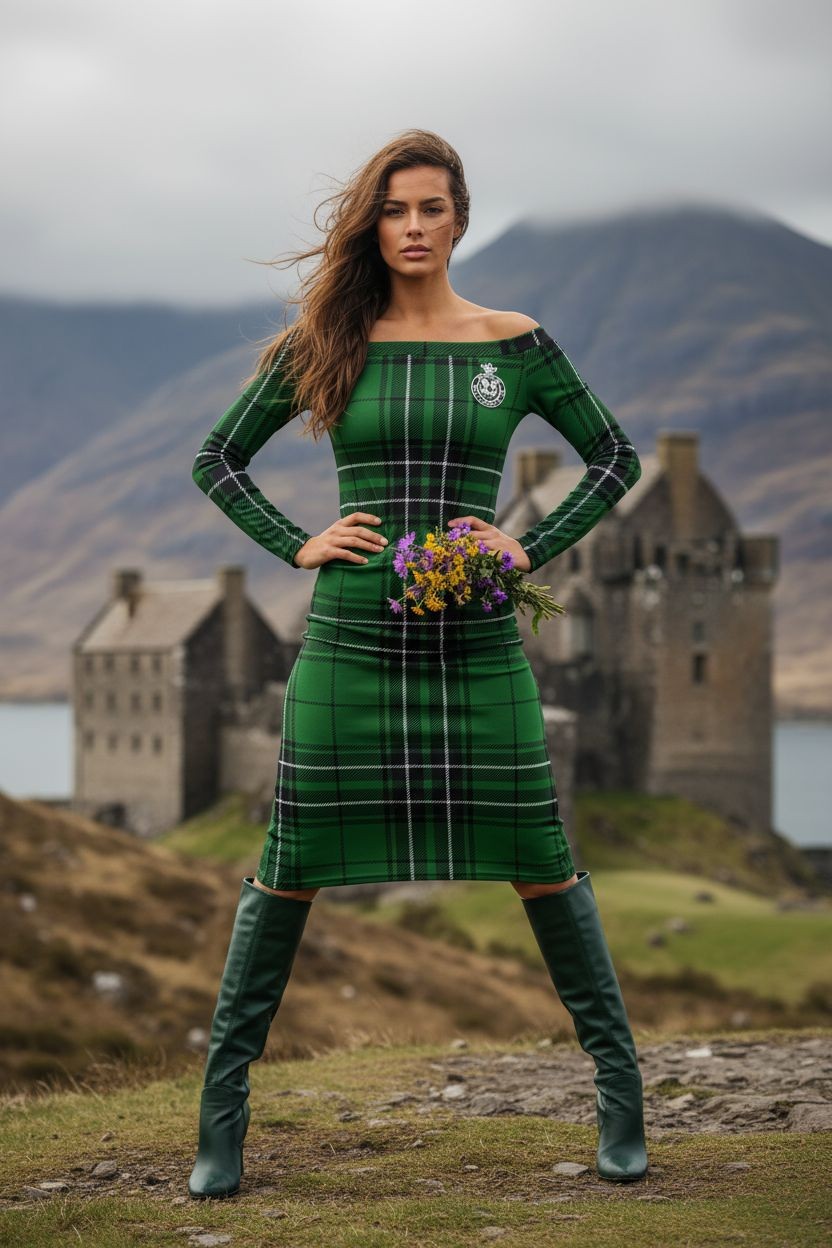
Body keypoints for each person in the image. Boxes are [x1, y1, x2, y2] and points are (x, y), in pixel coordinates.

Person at [187, 128, 647, 1199]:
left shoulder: (512, 344)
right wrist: (295, 539)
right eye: (393, 210)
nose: (411, 228)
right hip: (349, 640)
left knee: (539, 850)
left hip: (478, 641)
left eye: (430, 208)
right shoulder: (328, 339)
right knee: (289, 862)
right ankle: (221, 1126)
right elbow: (217, 458)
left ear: (458, 217)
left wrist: (528, 543)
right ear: (373, 222)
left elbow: (615, 455)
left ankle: (621, 1103)